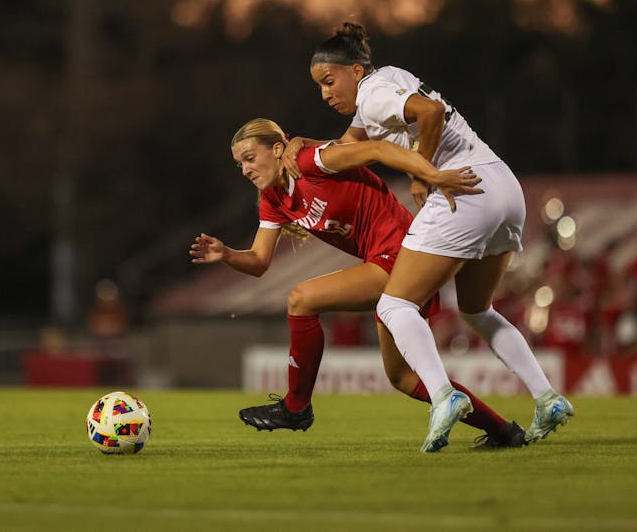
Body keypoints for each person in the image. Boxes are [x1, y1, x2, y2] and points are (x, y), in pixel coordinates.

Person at [287, 21, 574, 446]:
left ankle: (443, 396)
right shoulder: (384, 89)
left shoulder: (374, 93)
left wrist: (422, 177)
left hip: (462, 189)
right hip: (503, 186)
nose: (325, 93)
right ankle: (547, 398)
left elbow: (431, 113)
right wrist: (298, 142)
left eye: (329, 81)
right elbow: (344, 150)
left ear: (357, 72)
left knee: (393, 304)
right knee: (477, 310)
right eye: (319, 87)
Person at [191, 117, 526, 451]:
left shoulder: (311, 161)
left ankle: (296, 407)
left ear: (278, 149)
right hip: (386, 263)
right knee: (403, 379)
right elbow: (260, 261)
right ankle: (503, 432)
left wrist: (430, 176)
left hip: (405, 252)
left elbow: (378, 148)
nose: (245, 170)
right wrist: (227, 254)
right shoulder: (274, 200)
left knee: (301, 298)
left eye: (250, 158)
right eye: (239, 164)